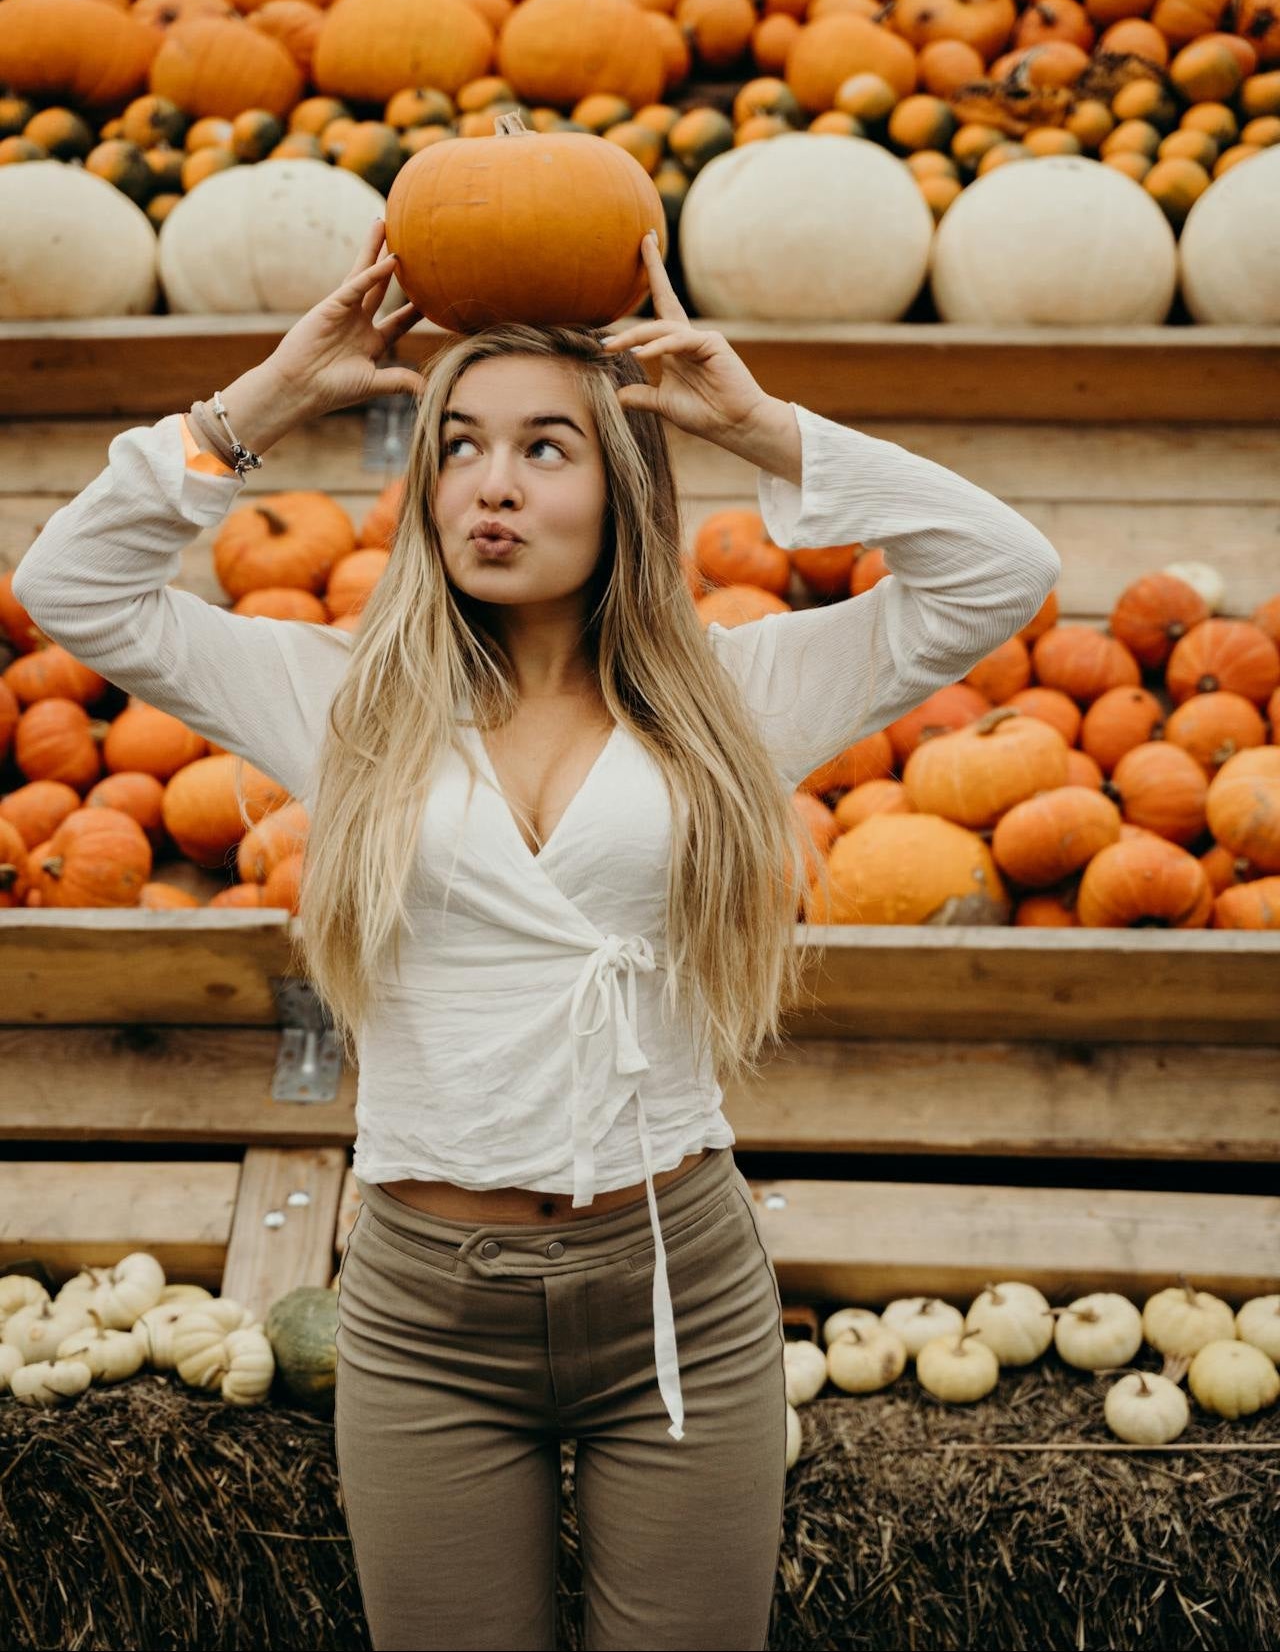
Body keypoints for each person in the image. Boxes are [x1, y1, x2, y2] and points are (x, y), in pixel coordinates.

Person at [11, 216, 1061, 1652]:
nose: (490, 485)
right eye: (459, 446)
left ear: (624, 481)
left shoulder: (738, 701)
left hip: (674, 1279)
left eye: (544, 447)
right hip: (427, 1310)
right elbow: (73, 587)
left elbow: (1000, 572)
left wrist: (763, 428)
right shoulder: (340, 703)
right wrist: (265, 396)